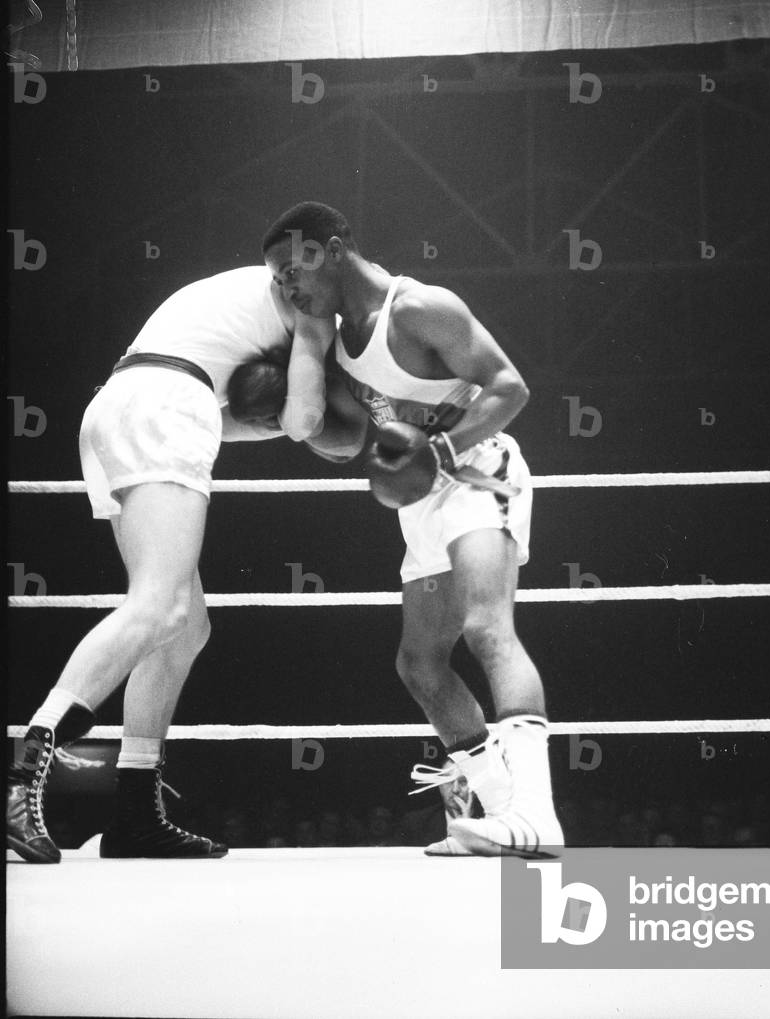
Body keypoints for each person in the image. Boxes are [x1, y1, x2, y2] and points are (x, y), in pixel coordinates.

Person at [6, 265, 362, 864]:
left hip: (126, 404)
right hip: (167, 406)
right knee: (158, 606)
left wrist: (284, 415)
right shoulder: (321, 304)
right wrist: (321, 417)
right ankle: (21, 777)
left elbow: (238, 423)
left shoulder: (246, 307)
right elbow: (315, 427)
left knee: (185, 626)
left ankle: (135, 814)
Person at [260, 201, 563, 857]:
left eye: (292, 268)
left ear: (332, 250)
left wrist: (440, 453)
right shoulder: (336, 340)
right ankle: (498, 814)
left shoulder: (421, 308)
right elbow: (332, 438)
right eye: (277, 277)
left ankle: (537, 815)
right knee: (420, 664)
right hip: (421, 500)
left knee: (487, 628)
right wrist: (297, 380)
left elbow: (509, 388)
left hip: (478, 471)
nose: (287, 286)